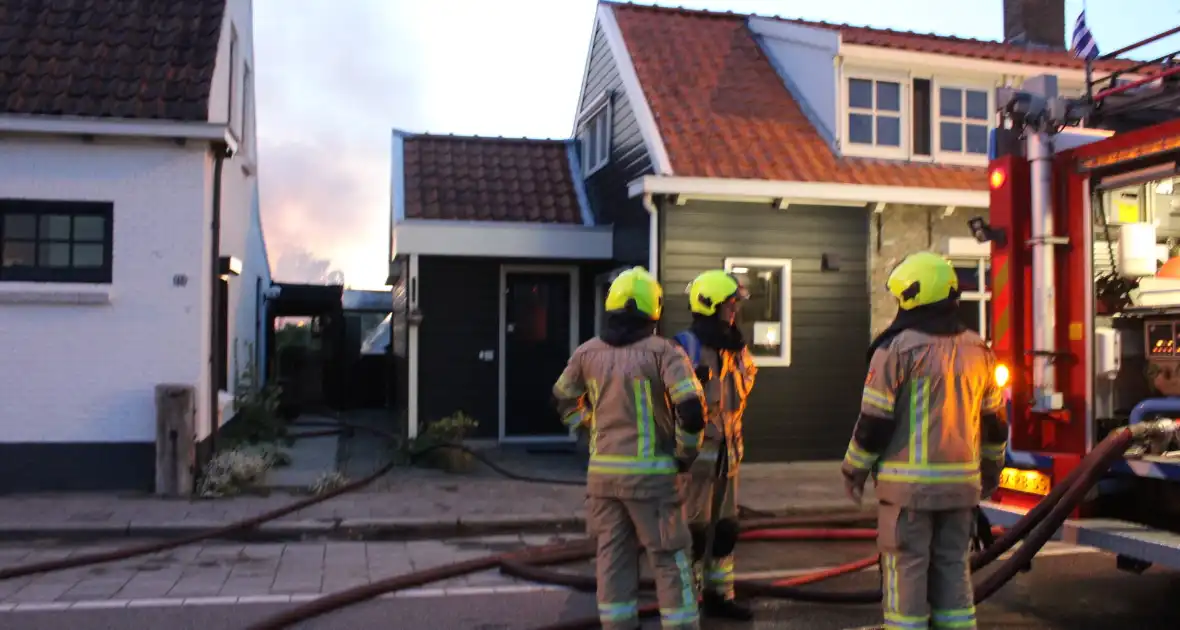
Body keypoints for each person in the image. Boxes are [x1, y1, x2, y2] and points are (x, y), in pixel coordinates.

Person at [841, 251, 1008, 630]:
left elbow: (874, 423)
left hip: (908, 495)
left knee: (906, 579)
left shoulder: (895, 350)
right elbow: (996, 425)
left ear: (911, 297)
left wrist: (853, 471)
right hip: (961, 492)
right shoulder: (979, 350)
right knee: (953, 572)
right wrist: (991, 474)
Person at [552, 266, 707, 630]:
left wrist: (587, 428)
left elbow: (561, 399)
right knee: (669, 559)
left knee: (613, 559)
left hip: (603, 480)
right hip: (653, 481)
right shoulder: (663, 353)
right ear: (654, 310)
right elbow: (692, 413)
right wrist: (684, 457)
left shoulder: (586, 353)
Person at [672, 269, 757, 621]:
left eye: (736, 303)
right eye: (730, 304)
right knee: (693, 532)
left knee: (725, 530)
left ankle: (720, 594)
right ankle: (687, 602)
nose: (734, 310)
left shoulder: (735, 346)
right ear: (709, 306)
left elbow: (748, 379)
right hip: (696, 459)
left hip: (728, 456)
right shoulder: (685, 348)